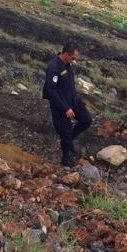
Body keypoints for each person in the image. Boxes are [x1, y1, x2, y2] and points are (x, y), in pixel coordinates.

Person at [43, 40, 92, 168]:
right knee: (65, 131)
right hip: (61, 105)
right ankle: (66, 158)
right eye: (73, 57)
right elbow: (51, 90)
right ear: (66, 54)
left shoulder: (67, 64)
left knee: (86, 120)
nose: (74, 60)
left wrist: (77, 101)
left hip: (73, 100)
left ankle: (68, 141)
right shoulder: (54, 67)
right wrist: (66, 108)